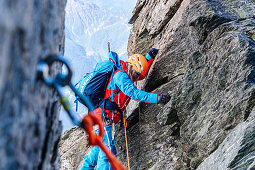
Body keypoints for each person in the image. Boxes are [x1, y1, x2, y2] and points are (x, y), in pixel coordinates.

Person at [80, 48, 171, 170]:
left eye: (138, 75)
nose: (137, 78)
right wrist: (157, 98)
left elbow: (139, 71)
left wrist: (149, 58)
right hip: (104, 116)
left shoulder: (126, 70)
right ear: (131, 68)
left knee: (99, 147)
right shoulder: (120, 76)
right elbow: (135, 94)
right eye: (136, 74)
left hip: (98, 113)